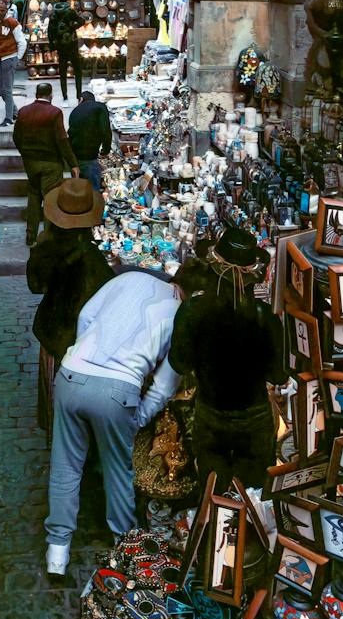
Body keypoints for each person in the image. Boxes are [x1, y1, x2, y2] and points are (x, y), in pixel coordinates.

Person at [44, 265, 182, 575]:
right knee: (118, 469)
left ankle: (57, 552)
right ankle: (125, 544)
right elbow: (163, 386)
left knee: (65, 465)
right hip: (118, 390)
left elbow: (85, 316)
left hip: (71, 373)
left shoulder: (129, 278)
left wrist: (87, 354)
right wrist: (140, 418)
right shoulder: (178, 312)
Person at [168, 223, 285, 496]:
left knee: (213, 490)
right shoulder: (264, 316)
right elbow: (278, 375)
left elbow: (179, 363)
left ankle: (215, 535)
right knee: (255, 493)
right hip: (253, 417)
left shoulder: (193, 310)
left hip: (211, 414)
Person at [26, 176, 114, 438]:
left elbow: (35, 285)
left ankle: (57, 432)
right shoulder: (91, 258)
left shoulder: (47, 248)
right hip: (80, 340)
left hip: (55, 332)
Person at [12, 80, 77, 245]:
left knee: (33, 196)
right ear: (51, 96)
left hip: (30, 162)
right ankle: (48, 237)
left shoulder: (23, 111)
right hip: (51, 164)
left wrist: (25, 153)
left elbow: (16, 137)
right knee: (50, 199)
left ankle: (30, 236)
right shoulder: (54, 112)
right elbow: (62, 140)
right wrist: (73, 163)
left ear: (36, 95)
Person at [67, 84, 113, 190]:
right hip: (89, 155)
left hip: (75, 155)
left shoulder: (75, 111)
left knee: (79, 190)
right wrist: (106, 150)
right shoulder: (100, 107)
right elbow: (105, 130)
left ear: (81, 99)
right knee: (92, 190)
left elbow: (71, 132)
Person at [0, 0, 25, 125]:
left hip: (9, 58)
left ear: (6, 10)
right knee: (0, 90)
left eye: (2, 10)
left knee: (7, 90)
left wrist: (17, 58)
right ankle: (15, 112)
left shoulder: (12, 22)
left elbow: (22, 42)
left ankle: (8, 118)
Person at [46, 0, 83, 101]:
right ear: (67, 1)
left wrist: (52, 46)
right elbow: (82, 21)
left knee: (63, 72)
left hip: (60, 46)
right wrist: (73, 27)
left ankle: (65, 97)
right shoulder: (70, 12)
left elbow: (50, 32)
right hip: (72, 44)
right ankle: (78, 96)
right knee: (77, 71)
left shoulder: (53, 14)